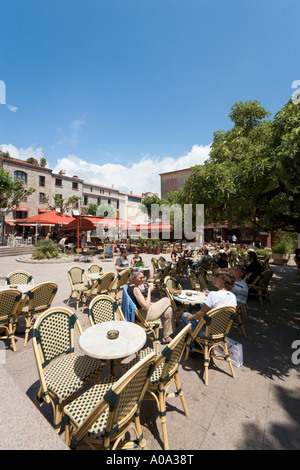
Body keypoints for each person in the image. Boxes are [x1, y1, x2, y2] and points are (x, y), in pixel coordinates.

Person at [181, 269, 237, 337]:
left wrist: (192, 317)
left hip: (206, 333)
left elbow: (200, 315)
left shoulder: (213, 295)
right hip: (222, 332)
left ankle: (191, 344)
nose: (213, 278)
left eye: (216, 276)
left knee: (185, 315)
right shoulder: (233, 297)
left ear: (222, 280)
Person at [127, 269, 175, 344]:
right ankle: (177, 314)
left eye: (143, 277)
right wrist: (149, 291)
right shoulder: (136, 289)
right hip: (144, 315)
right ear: (133, 278)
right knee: (167, 300)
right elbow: (145, 307)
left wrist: (151, 303)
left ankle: (167, 337)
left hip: (140, 313)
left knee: (169, 310)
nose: (142, 280)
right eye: (140, 278)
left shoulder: (129, 287)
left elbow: (140, 302)